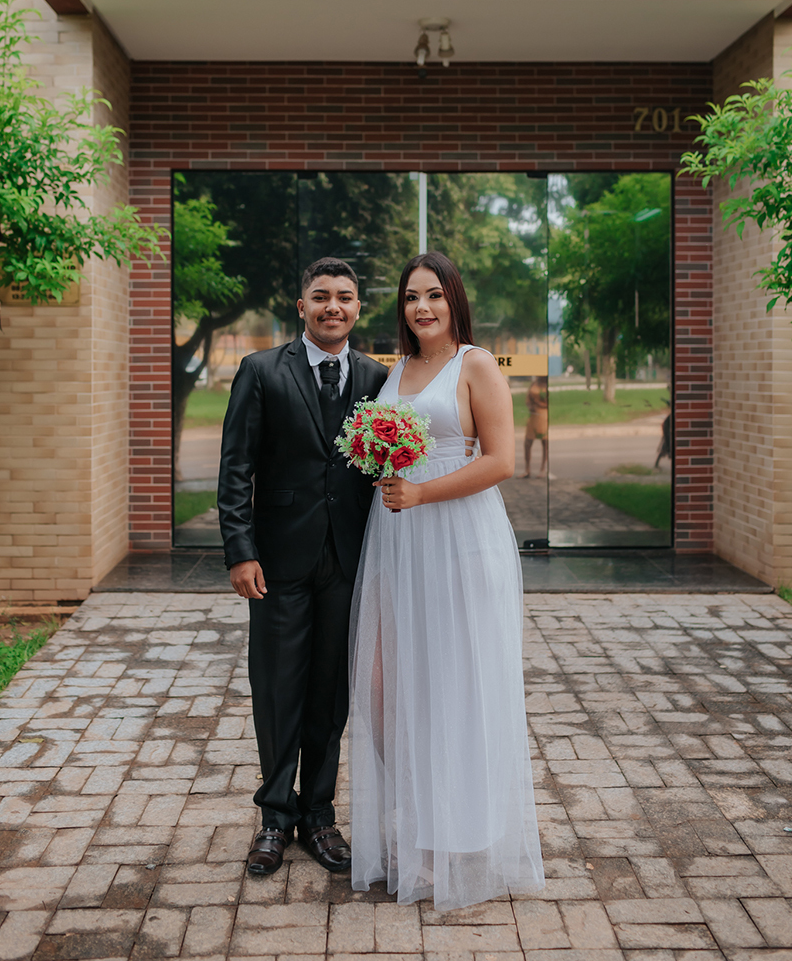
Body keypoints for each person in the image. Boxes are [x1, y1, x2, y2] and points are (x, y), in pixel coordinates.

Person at [349, 252, 545, 910]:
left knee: (449, 687)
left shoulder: (476, 364)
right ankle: (416, 812)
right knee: (382, 685)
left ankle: (443, 838)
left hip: (460, 537)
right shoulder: (397, 369)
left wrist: (423, 492)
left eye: (433, 294)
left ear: (454, 299)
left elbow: (502, 460)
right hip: (398, 540)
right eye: (411, 297)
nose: (422, 307)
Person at [218, 258, 388, 878]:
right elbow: (236, 467)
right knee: (276, 690)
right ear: (301, 306)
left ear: (358, 308)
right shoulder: (261, 370)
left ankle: (318, 815)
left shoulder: (378, 378)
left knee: (328, 695)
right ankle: (274, 817)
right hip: (278, 562)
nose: (332, 307)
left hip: (348, 559)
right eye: (321, 297)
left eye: (344, 297)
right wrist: (240, 550)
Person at [524, 374, 549, 478]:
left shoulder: (546, 385)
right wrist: (530, 405)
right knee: (527, 442)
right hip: (533, 415)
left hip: (543, 415)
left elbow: (548, 402)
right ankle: (527, 469)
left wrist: (538, 403)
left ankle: (543, 468)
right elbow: (528, 398)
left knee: (545, 442)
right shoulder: (534, 383)